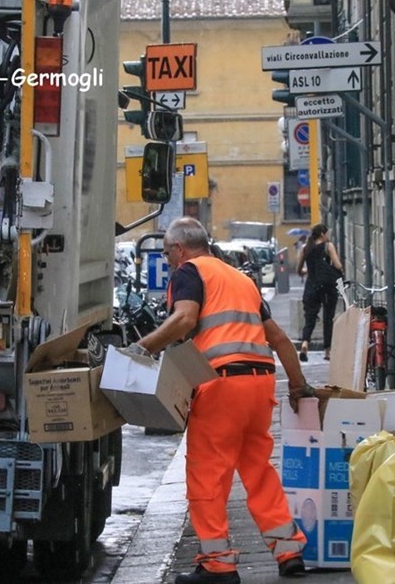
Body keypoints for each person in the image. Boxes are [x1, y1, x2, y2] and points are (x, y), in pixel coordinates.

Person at [130, 217, 313, 583]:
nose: (167, 261)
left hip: (222, 384)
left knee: (207, 475)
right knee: (258, 470)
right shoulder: (239, 279)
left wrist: (140, 348)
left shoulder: (189, 272)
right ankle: (288, 552)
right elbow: (278, 339)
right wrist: (298, 387)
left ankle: (218, 565)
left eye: (167, 254)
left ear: (181, 249)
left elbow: (184, 320)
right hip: (260, 384)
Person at [296, 223, 343, 361]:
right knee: (328, 318)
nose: (327, 236)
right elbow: (337, 265)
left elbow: (299, 270)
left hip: (311, 286)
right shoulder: (328, 246)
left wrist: (308, 271)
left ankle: (305, 343)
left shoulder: (306, 248)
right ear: (322, 234)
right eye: (326, 233)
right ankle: (327, 351)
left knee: (309, 318)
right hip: (327, 286)